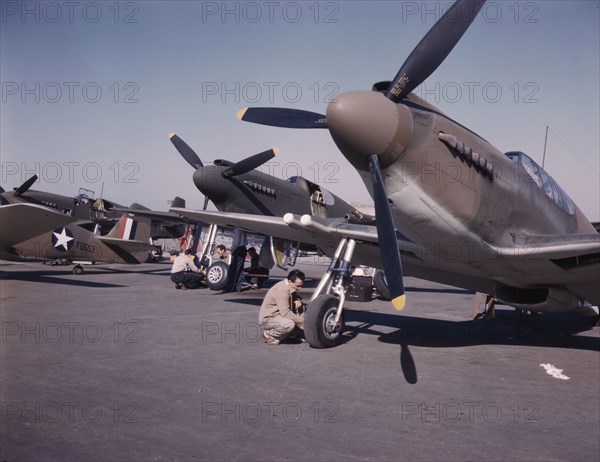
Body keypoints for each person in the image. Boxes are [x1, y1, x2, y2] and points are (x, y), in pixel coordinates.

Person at [258, 269, 306, 345]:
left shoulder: (289, 286)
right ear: (290, 281)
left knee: (301, 308)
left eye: (301, 286)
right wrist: (303, 322)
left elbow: (295, 296)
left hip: (279, 315)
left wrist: (297, 299)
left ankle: (292, 335)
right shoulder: (282, 290)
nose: (299, 289)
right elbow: (286, 313)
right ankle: (269, 335)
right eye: (298, 286)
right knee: (289, 324)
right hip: (269, 318)